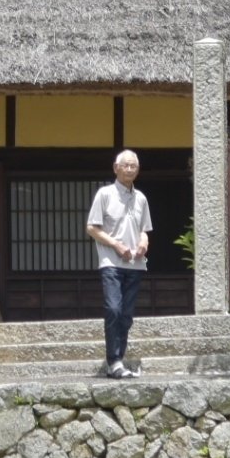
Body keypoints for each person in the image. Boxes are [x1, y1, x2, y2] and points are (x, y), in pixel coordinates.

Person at [88, 150, 153, 378]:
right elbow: (92, 228)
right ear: (116, 168)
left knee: (126, 315)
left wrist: (143, 243)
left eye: (133, 165)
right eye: (125, 165)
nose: (129, 169)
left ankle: (118, 360)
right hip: (111, 263)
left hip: (135, 264)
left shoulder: (141, 198)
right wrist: (116, 245)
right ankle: (113, 360)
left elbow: (144, 230)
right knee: (114, 309)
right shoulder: (104, 194)